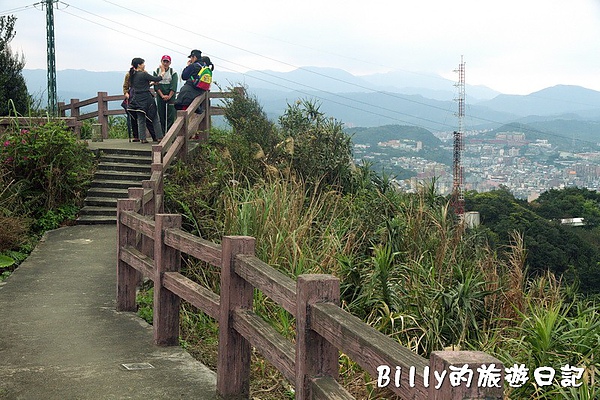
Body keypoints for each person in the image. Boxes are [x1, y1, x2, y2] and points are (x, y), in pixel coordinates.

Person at [127, 57, 164, 143]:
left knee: (141, 119)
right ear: (139, 65)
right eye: (143, 63)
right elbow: (158, 78)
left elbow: (140, 85)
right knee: (155, 117)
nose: (144, 65)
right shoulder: (143, 74)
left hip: (137, 99)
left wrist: (150, 84)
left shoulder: (132, 75)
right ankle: (160, 137)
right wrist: (162, 71)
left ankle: (142, 138)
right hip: (147, 98)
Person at [174, 49, 213, 113]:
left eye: (191, 58)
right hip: (201, 92)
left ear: (194, 57)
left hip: (189, 93)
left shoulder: (194, 66)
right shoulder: (205, 66)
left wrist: (188, 66)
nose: (190, 60)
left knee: (183, 109)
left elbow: (184, 76)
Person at [154, 55, 178, 133]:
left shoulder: (173, 73)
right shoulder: (156, 72)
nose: (165, 63)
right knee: (161, 114)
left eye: (167, 61)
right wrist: (162, 95)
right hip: (160, 95)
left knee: (171, 115)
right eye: (164, 61)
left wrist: (169, 96)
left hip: (170, 96)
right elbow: (156, 86)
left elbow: (174, 85)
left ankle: (170, 133)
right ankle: (162, 133)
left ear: (170, 63)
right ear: (161, 61)